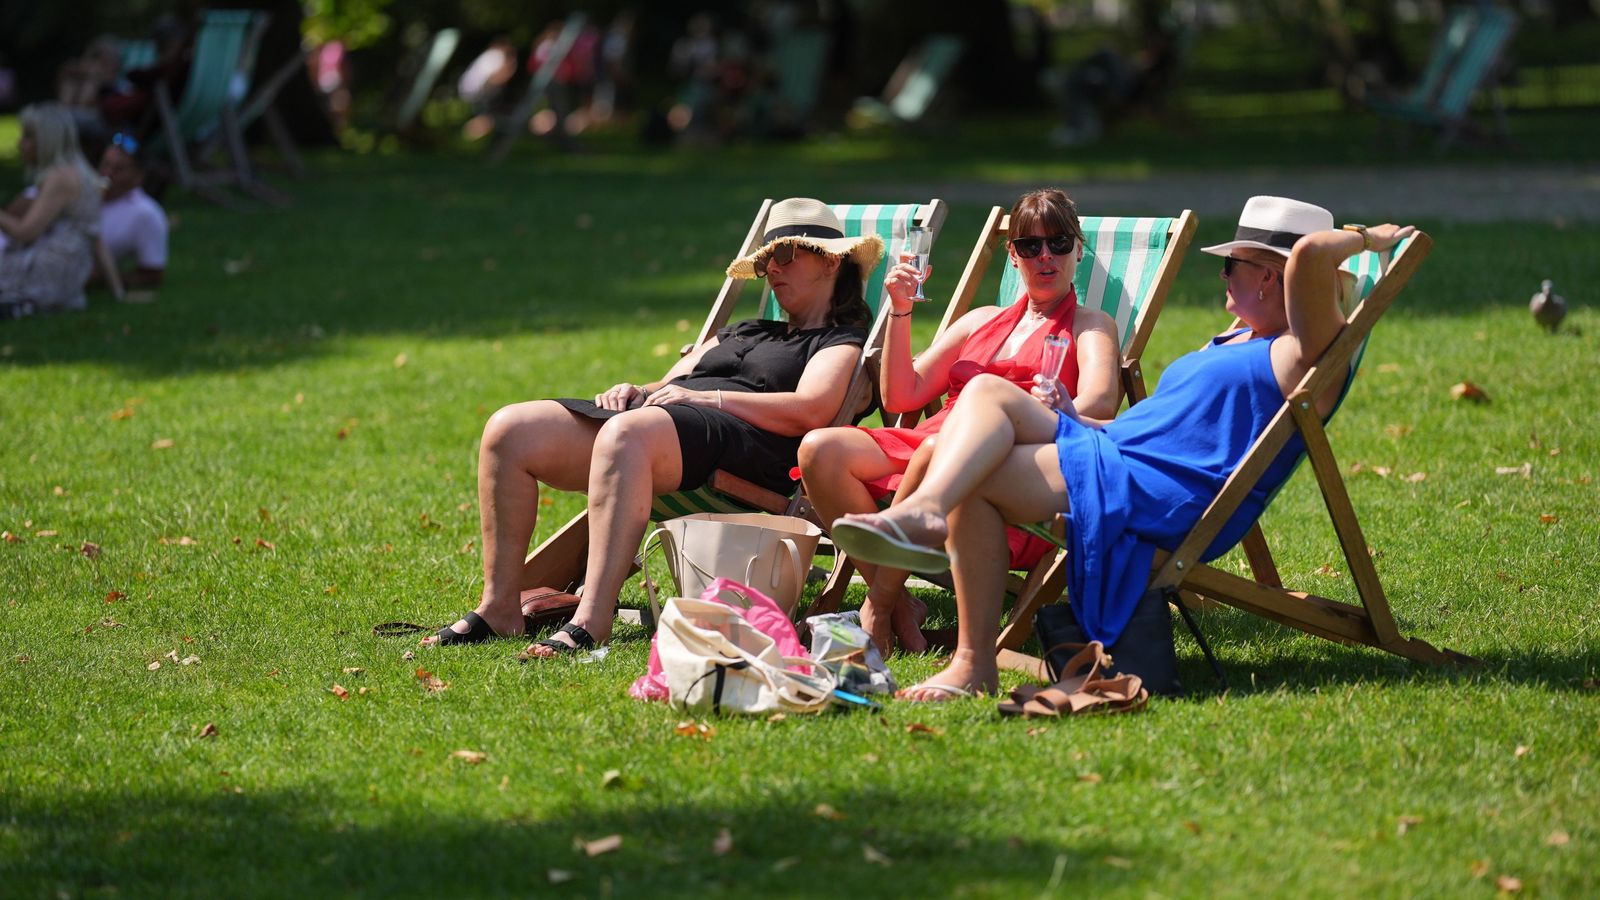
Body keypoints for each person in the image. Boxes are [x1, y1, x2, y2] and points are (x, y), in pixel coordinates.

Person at [830, 197, 1412, 700]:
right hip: (1116, 451)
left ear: (1269, 275)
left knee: (985, 392)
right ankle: (972, 661)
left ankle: (925, 519)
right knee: (982, 428)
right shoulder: (1239, 337)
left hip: (1160, 487)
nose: (1224, 278)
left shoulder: (1298, 352)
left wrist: (1370, 240)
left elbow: (1310, 255)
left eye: (1232, 264)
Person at [427, 198, 880, 659]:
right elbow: (671, 383)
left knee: (628, 436)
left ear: (828, 262)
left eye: (784, 256)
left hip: (744, 446)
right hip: (664, 426)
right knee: (511, 430)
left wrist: (708, 398)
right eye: (765, 261)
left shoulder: (838, 341)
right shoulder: (745, 329)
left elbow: (811, 410)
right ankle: (500, 608)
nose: (771, 270)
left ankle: (591, 620)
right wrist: (636, 390)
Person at [796, 189, 1120, 654]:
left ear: (1078, 250)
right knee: (819, 449)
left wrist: (1062, 404)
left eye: (1059, 243)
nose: (1045, 256)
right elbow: (901, 394)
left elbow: (1102, 403)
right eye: (1030, 246)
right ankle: (904, 607)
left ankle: (878, 608)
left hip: (1000, 462)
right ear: (1013, 256)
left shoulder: (1090, 326)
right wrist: (901, 310)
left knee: (931, 454)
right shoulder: (979, 321)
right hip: (931, 441)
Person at [0, 104, 104, 319]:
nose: (21, 143)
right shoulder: (81, 171)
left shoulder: (60, 177)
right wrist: (117, 290)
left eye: (28, 137)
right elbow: (97, 238)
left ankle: (20, 305)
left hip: (51, 271)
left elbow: (26, 232)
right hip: (69, 271)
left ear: (47, 141)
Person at [95, 133, 167, 293]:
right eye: (105, 165)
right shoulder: (81, 193)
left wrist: (101, 277)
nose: (107, 173)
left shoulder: (146, 213)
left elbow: (152, 274)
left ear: (138, 176)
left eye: (118, 169)